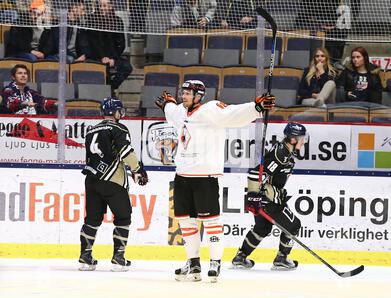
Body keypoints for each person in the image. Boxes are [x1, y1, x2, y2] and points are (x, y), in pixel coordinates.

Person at [154, 80, 275, 282]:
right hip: (182, 176)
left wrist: (256, 107)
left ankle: (215, 262)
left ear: (199, 95)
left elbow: (234, 114)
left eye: (187, 93)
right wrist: (168, 103)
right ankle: (193, 264)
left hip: (205, 177)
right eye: (182, 93)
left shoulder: (211, 110)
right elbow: (171, 110)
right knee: (186, 221)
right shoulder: (180, 112)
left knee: (211, 222)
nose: (183, 96)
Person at [79, 97, 148, 272]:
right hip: (113, 180)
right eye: (119, 110)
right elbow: (125, 151)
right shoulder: (118, 127)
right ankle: (119, 259)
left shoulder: (91, 130)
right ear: (115, 112)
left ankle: (85, 258)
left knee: (92, 219)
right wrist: (137, 169)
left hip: (91, 180)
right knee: (123, 218)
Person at [232, 122, 307, 270]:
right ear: (293, 139)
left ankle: (240, 257)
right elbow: (256, 173)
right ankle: (282, 258)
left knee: (262, 227)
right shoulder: (281, 154)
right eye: (301, 138)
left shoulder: (287, 151)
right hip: (270, 199)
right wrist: (253, 196)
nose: (303, 141)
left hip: (268, 197)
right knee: (294, 226)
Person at [83, 0, 132, 95]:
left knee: (127, 67)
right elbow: (92, 42)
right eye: (100, 5)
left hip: (112, 57)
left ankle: (111, 87)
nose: (102, 8)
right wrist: (102, 57)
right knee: (103, 69)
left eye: (104, 6)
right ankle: (106, 92)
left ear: (110, 6)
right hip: (96, 56)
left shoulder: (118, 21)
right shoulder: (91, 19)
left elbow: (121, 44)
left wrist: (113, 58)